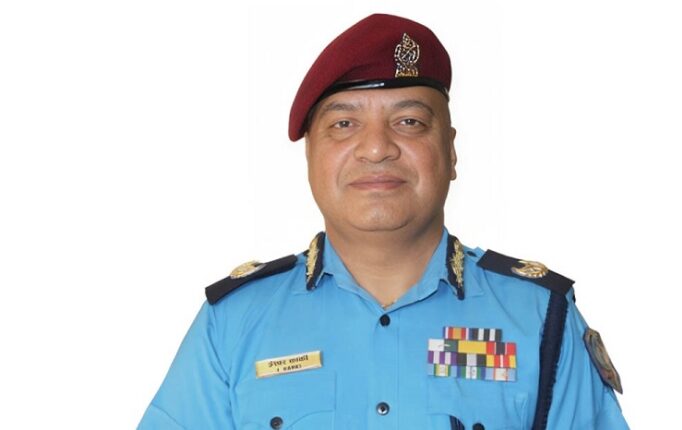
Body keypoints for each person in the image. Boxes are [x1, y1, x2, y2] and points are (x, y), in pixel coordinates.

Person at [138, 13, 629, 430]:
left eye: (408, 122)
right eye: (344, 124)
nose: (376, 148)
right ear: (310, 156)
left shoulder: (540, 317)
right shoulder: (234, 323)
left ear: (451, 151)